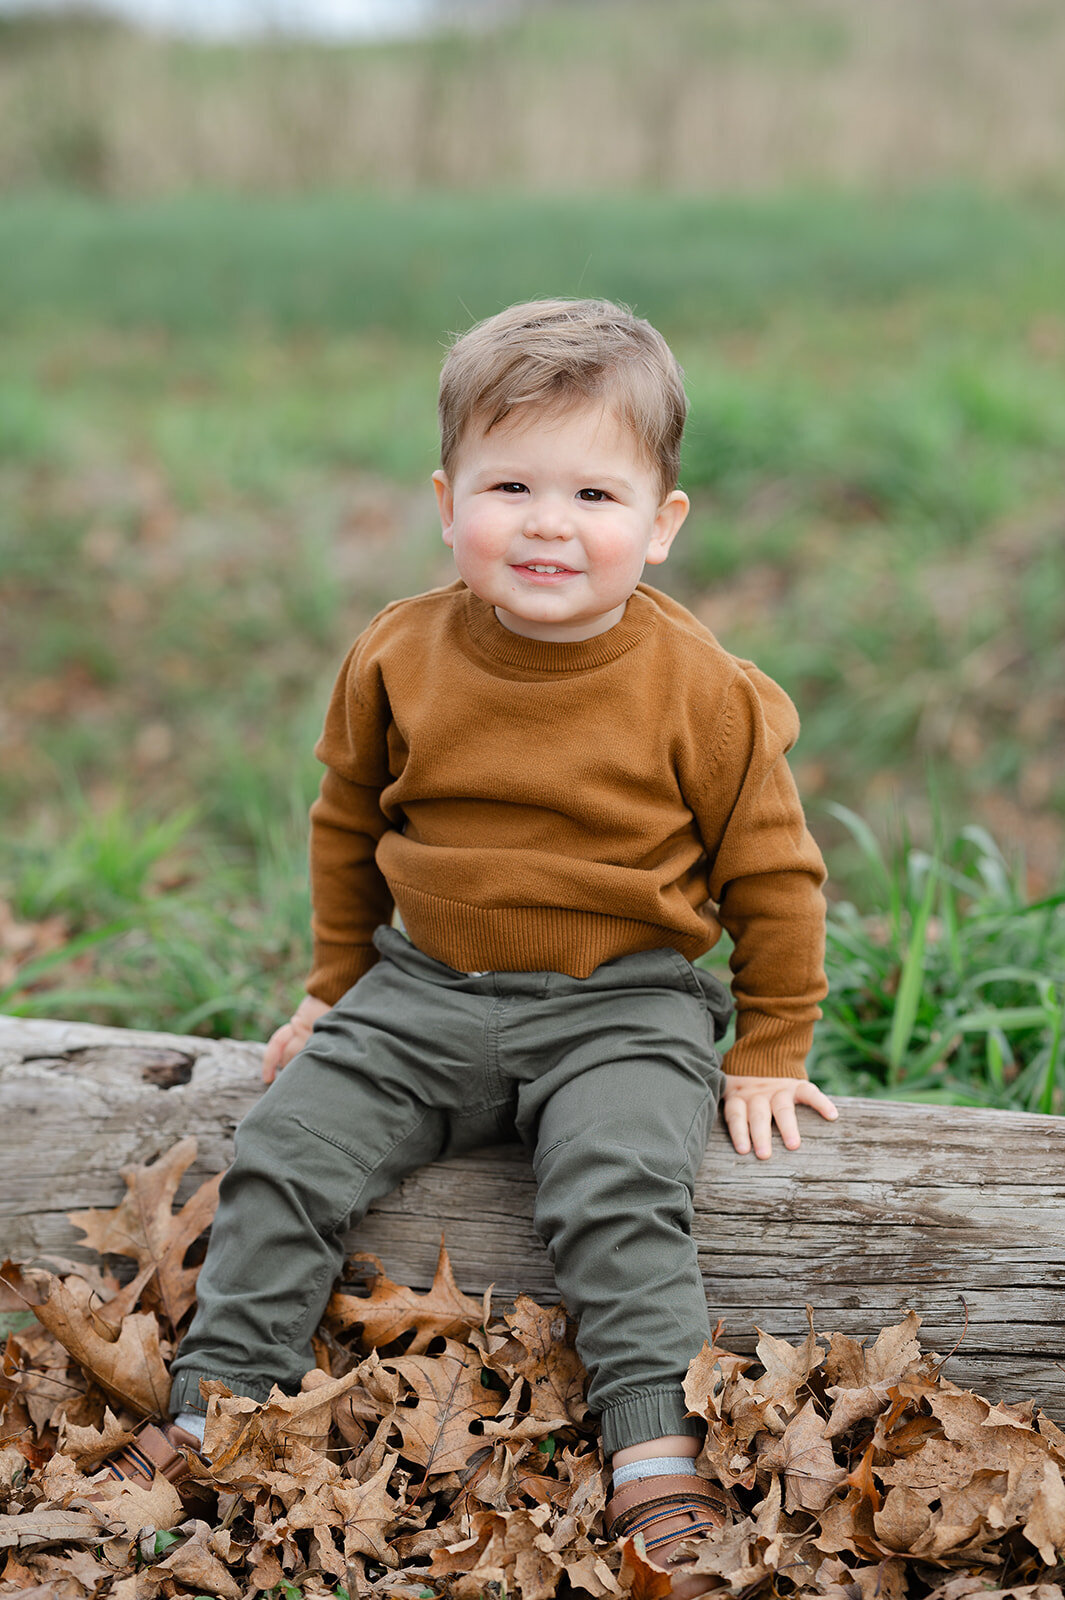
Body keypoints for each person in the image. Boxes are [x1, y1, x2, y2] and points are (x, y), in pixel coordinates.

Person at [106, 298, 837, 1590]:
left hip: (624, 1001)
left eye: (594, 493)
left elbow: (772, 876)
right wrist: (332, 989)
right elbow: (347, 828)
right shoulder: (400, 653)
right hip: (420, 992)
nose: (549, 522)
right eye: (510, 484)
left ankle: (649, 1446)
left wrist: (770, 1044)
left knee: (616, 1190)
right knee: (283, 1150)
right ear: (447, 502)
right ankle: (215, 1405)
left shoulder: (702, 692)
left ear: (660, 524)